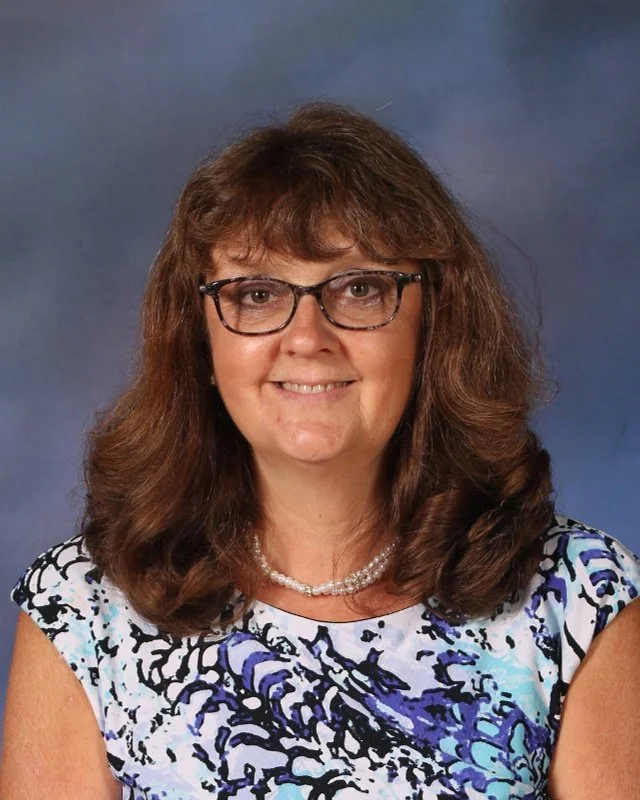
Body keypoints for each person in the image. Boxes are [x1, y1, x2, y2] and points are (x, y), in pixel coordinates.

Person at [1, 102, 639, 800]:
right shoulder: (85, 609)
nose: (307, 336)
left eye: (360, 288)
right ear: (201, 341)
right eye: (257, 293)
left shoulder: (578, 595)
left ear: (435, 325)